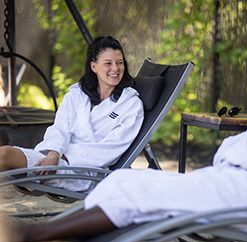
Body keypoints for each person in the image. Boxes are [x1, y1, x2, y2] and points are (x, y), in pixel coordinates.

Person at [4, 54, 247, 242]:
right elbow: (239, 153)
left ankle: (32, 237)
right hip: (236, 189)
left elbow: (244, 153)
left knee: (137, 194)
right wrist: (236, 150)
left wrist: (235, 149)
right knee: (125, 180)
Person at [0, 36, 144, 191]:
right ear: (94, 66)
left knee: (4, 155)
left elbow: (112, 148)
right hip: (54, 158)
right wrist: (54, 153)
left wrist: (64, 156)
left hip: (85, 172)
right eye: (108, 63)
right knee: (4, 153)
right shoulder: (77, 94)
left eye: (120, 62)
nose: (115, 68)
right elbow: (60, 127)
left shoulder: (130, 104)